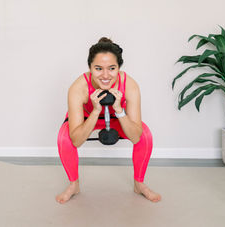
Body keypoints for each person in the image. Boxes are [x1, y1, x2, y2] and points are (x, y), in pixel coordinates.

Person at [56, 37, 161, 204]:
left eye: (112, 68)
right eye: (98, 68)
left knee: (145, 135)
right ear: (90, 68)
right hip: (88, 117)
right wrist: (96, 110)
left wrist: (119, 110)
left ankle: (139, 184)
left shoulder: (130, 85)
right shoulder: (78, 87)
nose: (105, 75)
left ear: (119, 68)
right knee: (64, 137)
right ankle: (73, 184)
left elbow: (136, 136)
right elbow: (75, 140)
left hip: (116, 118)